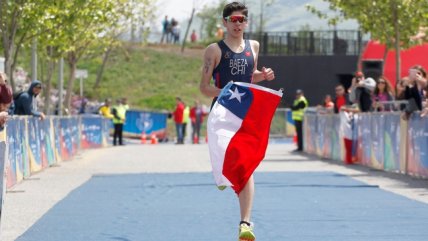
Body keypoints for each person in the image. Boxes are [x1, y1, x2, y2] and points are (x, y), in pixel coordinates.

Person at [199, 2, 275, 240]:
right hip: (222, 114)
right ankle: (221, 173)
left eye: (242, 20)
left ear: (247, 22)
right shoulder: (214, 50)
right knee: (227, 164)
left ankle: (245, 223)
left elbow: (248, 78)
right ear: (225, 22)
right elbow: (204, 87)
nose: (238, 24)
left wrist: (262, 76)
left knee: (246, 167)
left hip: (246, 115)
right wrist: (224, 93)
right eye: (233, 20)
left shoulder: (254, 46)